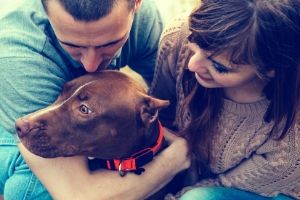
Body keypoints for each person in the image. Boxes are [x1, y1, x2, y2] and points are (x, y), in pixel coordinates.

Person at [0, 0, 190, 199]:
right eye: (72, 45)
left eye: (109, 44)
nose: (91, 67)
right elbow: (79, 195)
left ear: (136, 5)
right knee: (31, 189)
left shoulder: (139, 18)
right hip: (11, 116)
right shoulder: (21, 58)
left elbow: (169, 103)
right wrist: (174, 159)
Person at [150, 0, 300, 199]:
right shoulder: (178, 37)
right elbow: (160, 117)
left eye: (219, 67)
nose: (193, 65)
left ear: (270, 70)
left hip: (258, 190)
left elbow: (219, 187)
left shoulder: (290, 141)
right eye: (195, 45)